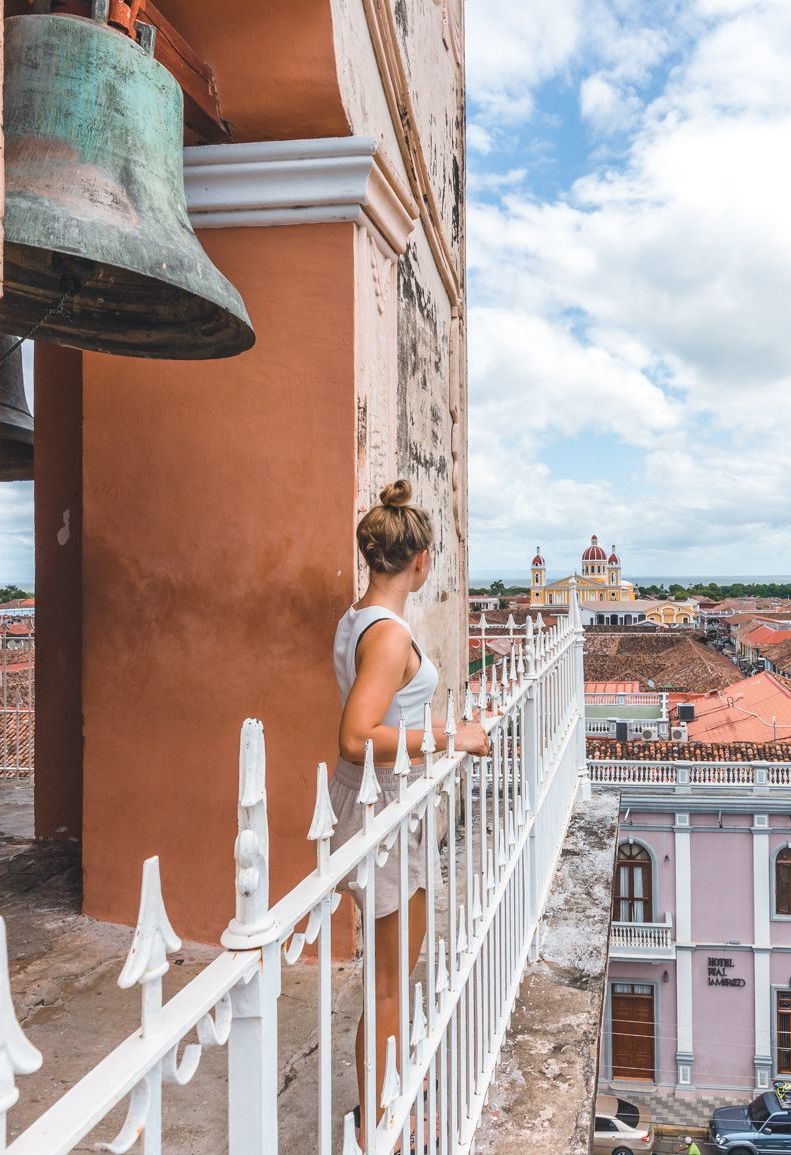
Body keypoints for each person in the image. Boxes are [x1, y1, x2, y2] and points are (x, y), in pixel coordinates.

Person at [334, 480, 492, 1142]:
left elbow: (388, 712)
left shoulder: (358, 618)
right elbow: (356, 732)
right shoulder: (392, 634)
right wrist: (450, 736)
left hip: (382, 798)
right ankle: (379, 1126)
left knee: (396, 967)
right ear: (422, 560)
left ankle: (382, 1100)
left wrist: (439, 725)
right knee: (393, 980)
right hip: (386, 806)